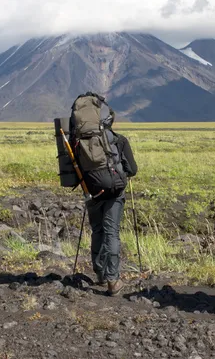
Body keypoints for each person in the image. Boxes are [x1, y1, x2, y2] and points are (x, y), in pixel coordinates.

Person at [84, 106, 138, 296]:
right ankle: (113, 280)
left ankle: (99, 273)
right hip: (115, 193)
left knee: (97, 230)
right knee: (111, 233)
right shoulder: (119, 140)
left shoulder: (82, 141)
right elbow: (132, 169)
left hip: (91, 192)